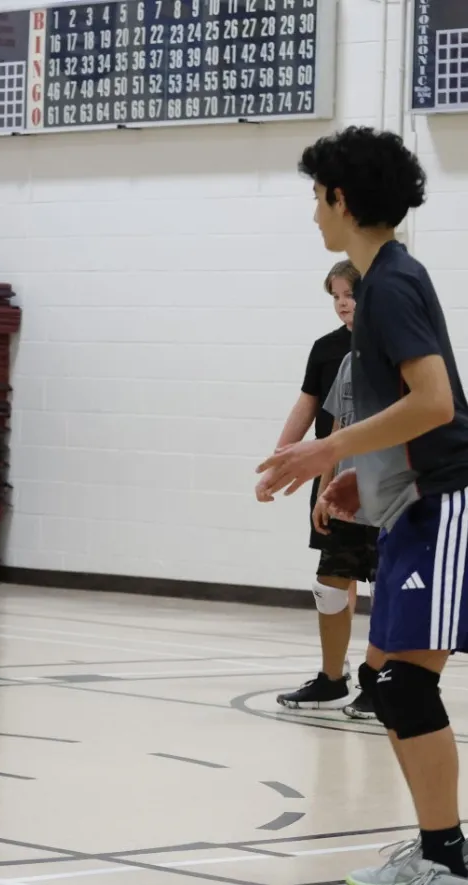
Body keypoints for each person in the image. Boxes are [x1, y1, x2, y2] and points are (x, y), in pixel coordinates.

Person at [258, 125, 468, 884]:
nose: (314, 213)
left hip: (444, 503)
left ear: (342, 199)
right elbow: (407, 411)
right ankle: (440, 850)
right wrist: (362, 476)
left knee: (406, 684)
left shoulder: (389, 285)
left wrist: (328, 451)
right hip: (411, 504)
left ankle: (447, 860)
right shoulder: (383, 282)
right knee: (388, 684)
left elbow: (436, 401)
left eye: (317, 198)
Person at [259, 260, 379, 719]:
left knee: (386, 585)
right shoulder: (336, 355)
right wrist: (292, 468)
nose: (343, 303)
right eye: (336, 296)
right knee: (331, 582)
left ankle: (379, 681)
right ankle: (332, 679)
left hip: (391, 493)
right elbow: (325, 419)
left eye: (350, 293)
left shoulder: (404, 352)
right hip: (343, 488)